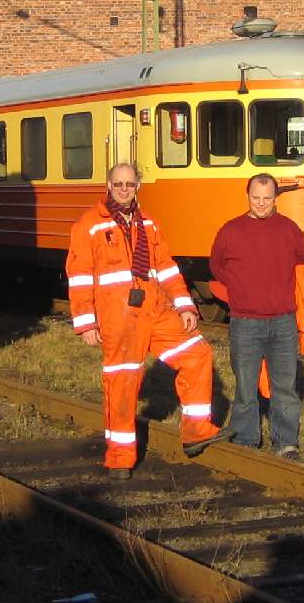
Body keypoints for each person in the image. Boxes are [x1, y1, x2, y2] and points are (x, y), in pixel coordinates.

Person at [66, 162, 232, 481]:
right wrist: (87, 322)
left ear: (138, 186)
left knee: (198, 354)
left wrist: (185, 306)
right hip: (118, 316)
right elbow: (79, 276)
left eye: (130, 184)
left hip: (154, 309)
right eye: (118, 184)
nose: (124, 189)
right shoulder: (88, 225)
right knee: (123, 383)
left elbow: (166, 268)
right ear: (108, 186)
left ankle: (196, 430)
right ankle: (119, 458)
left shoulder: (149, 224)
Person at [209, 173, 304, 460]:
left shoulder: (289, 230)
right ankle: (246, 440)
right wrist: (242, 290)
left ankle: (286, 443)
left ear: (275, 198)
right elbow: (216, 265)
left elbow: (303, 263)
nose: (261, 203)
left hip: (283, 321)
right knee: (245, 386)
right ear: (247, 196)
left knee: (285, 388)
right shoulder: (230, 231)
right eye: (256, 197)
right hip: (245, 322)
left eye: (267, 198)